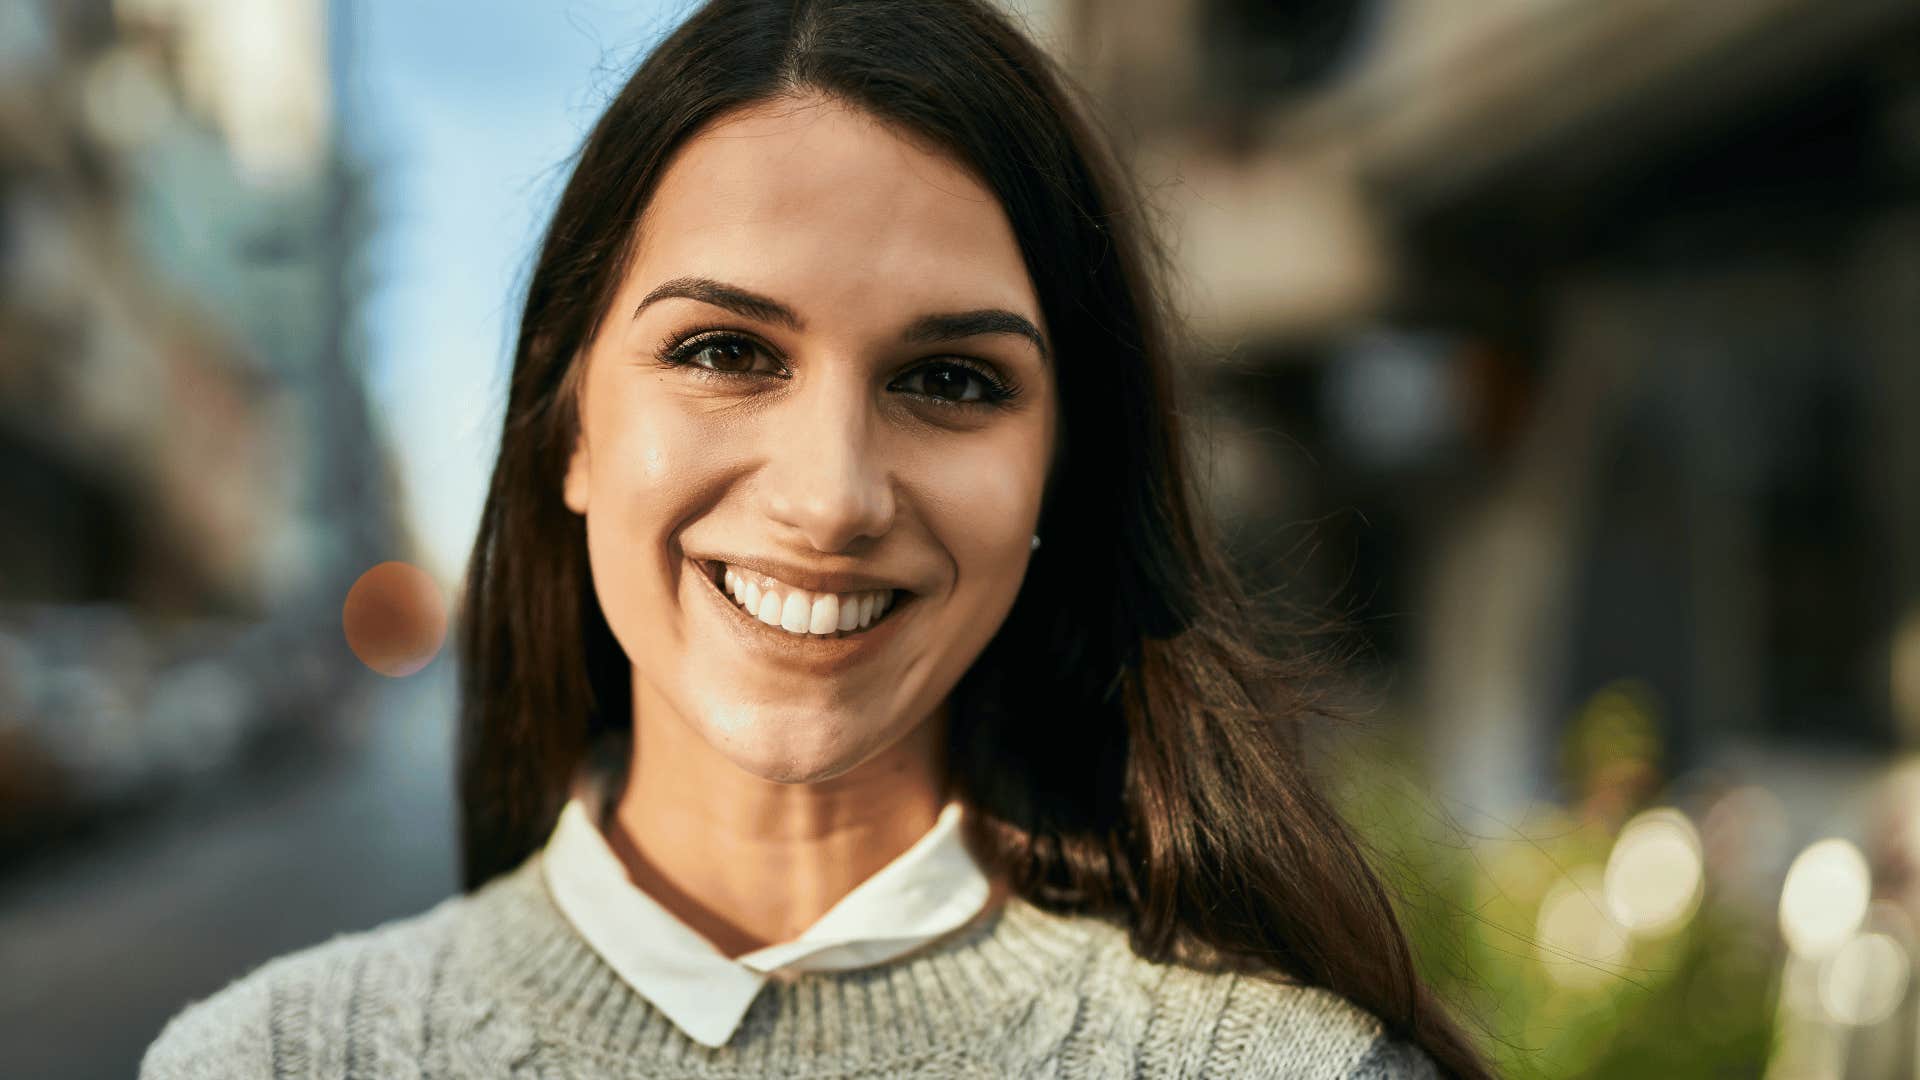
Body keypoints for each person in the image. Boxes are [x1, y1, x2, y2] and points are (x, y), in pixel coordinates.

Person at [142, 0, 1488, 1075]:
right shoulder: (270, 1060)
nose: (833, 495)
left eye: (953, 381)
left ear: (1061, 475)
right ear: (572, 429)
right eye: (726, 351)